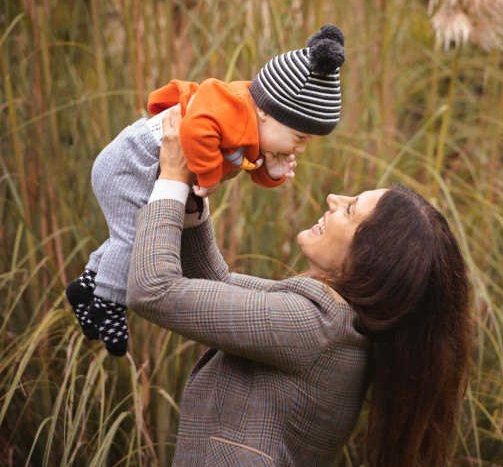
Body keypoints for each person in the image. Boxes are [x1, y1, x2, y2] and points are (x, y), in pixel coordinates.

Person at [125, 108, 474, 466]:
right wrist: (196, 188)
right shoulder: (333, 321)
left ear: (371, 259)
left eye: (350, 210)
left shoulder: (314, 326)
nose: (334, 199)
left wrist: (173, 177)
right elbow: (214, 286)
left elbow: (154, 289)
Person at [66, 24, 346, 356]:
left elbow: (245, 165)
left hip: (140, 169)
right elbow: (196, 131)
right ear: (267, 111)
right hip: (130, 162)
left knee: (125, 235)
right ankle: (109, 303)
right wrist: (209, 176)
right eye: (300, 138)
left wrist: (272, 171)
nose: (300, 148)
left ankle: (88, 285)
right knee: (131, 237)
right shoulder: (233, 108)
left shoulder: (257, 128)